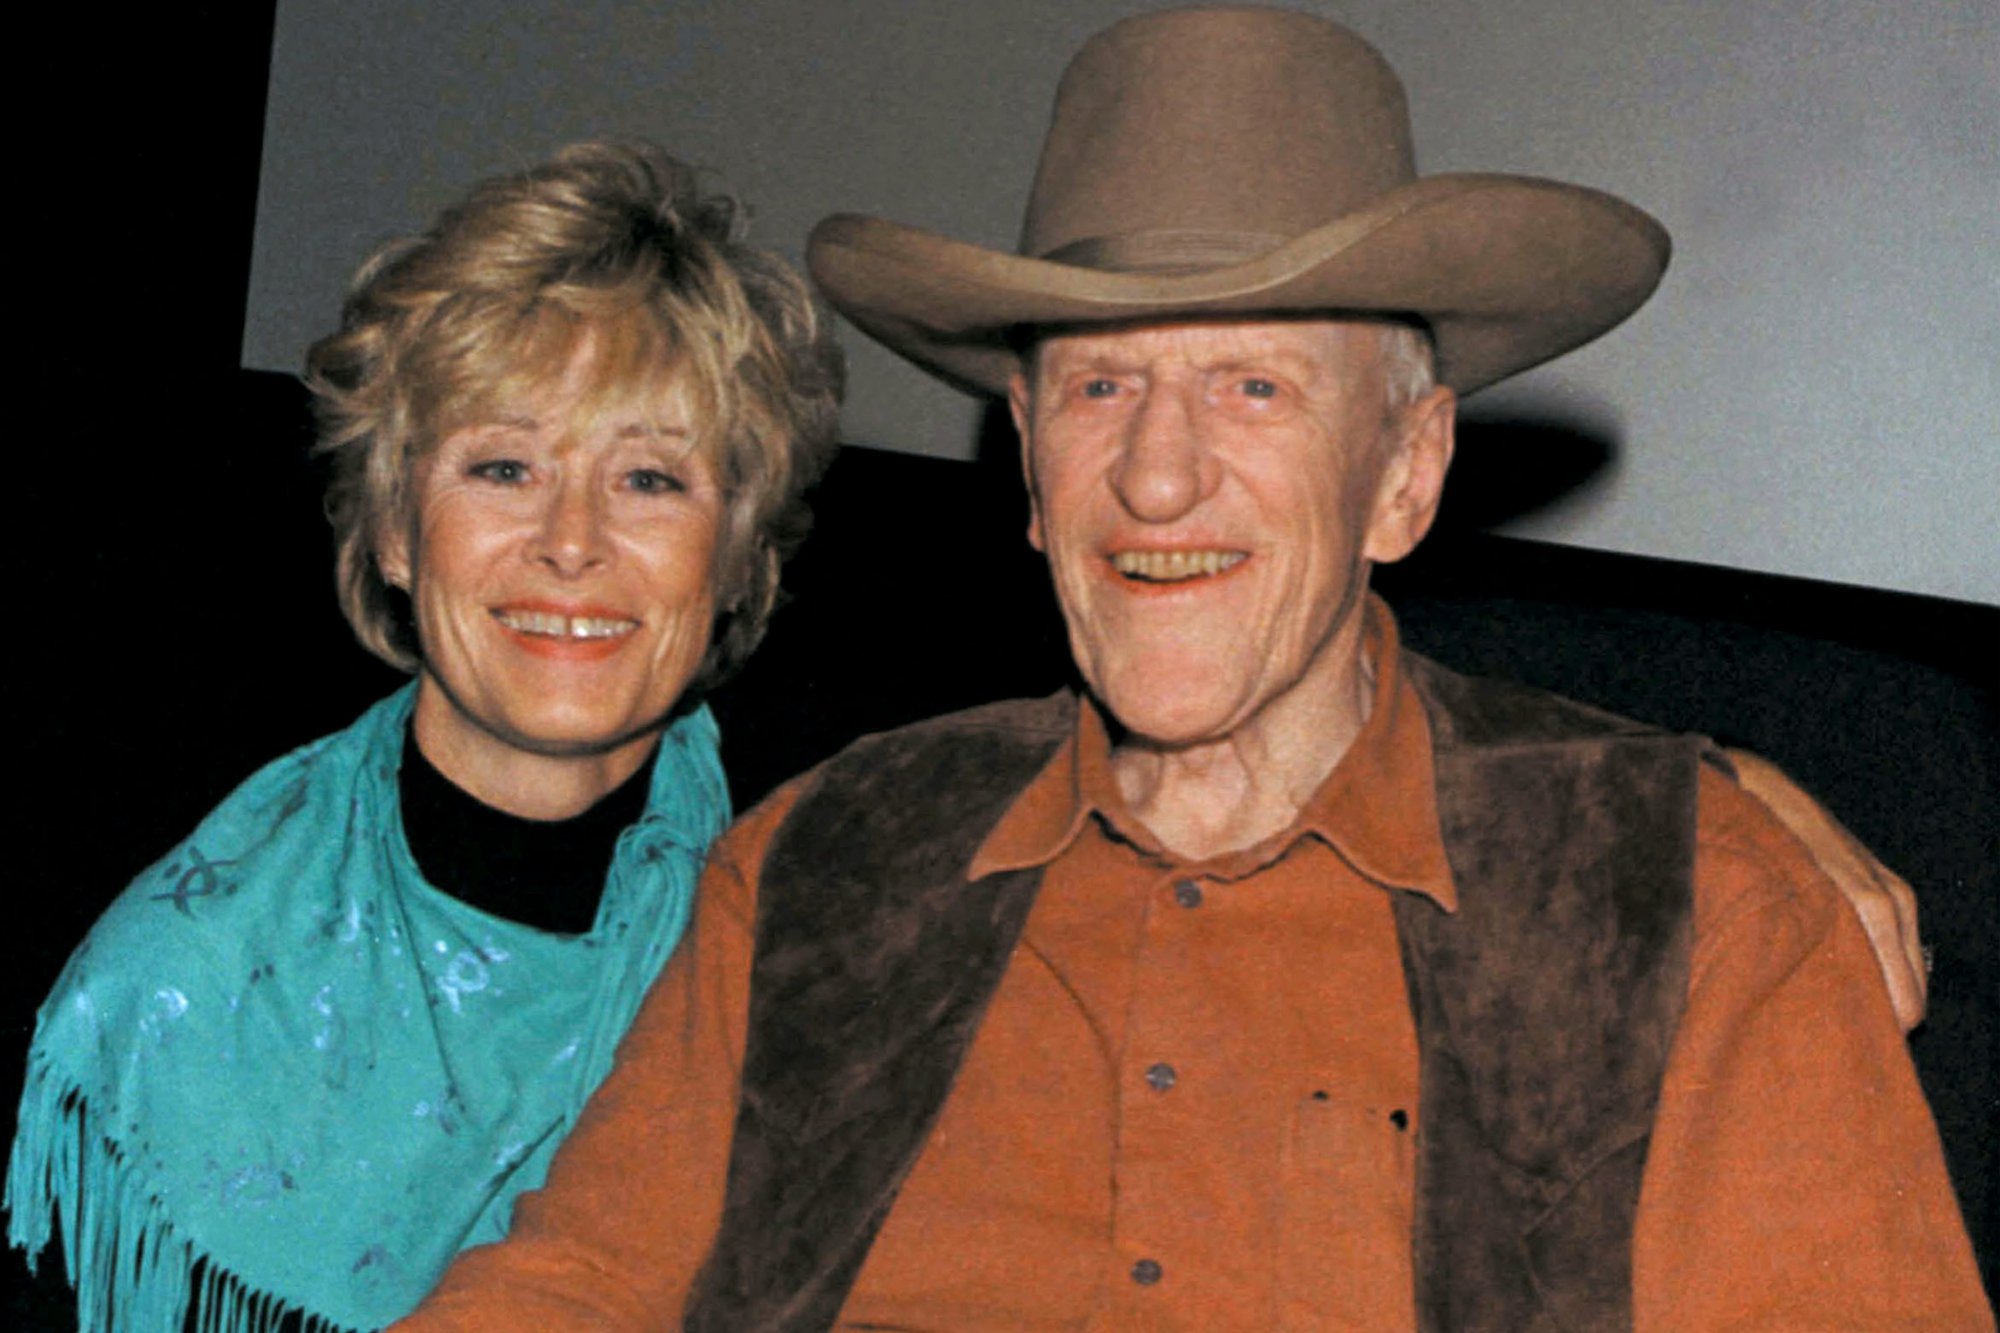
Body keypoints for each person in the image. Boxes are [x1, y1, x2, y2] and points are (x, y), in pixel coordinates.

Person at [396, 11, 1988, 1331]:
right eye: (1099, 387)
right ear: (1025, 464)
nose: (1158, 479)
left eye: (1251, 384)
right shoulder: (819, 866)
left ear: (1406, 469)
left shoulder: (1694, 906)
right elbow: (576, 1286)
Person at [4, 140, 841, 1332]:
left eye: (649, 478)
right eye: (504, 465)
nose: (570, 540)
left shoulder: (824, 922)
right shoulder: (181, 986)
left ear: (737, 556)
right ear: (396, 530)